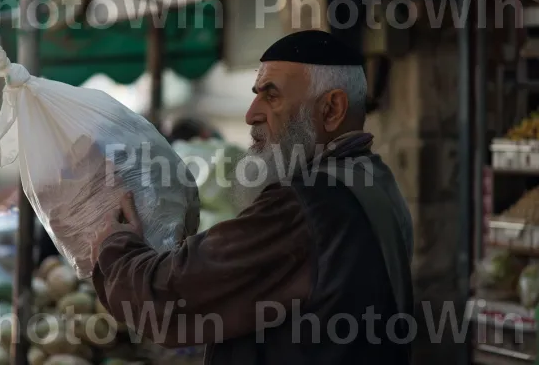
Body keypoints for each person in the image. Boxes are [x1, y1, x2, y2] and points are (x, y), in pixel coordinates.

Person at [90, 30, 414, 364]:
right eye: (256, 94)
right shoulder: (374, 178)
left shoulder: (308, 204)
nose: (251, 114)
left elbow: (174, 293)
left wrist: (115, 247)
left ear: (331, 108)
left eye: (271, 96)